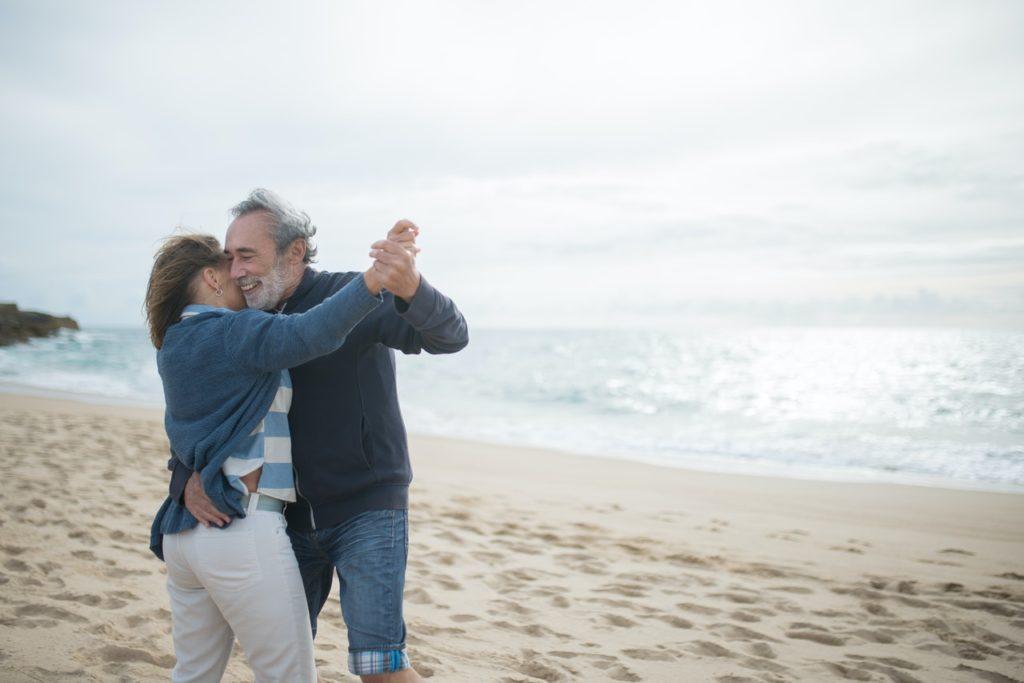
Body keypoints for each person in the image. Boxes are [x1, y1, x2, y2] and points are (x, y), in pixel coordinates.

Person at [168, 189, 469, 682]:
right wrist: (186, 474)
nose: (237, 270)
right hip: (285, 520)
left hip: (364, 508)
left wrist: (412, 287)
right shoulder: (244, 321)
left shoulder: (353, 296)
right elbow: (198, 407)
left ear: (294, 252)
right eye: (230, 259)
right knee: (284, 659)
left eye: (248, 256)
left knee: (379, 665)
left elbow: (450, 336)